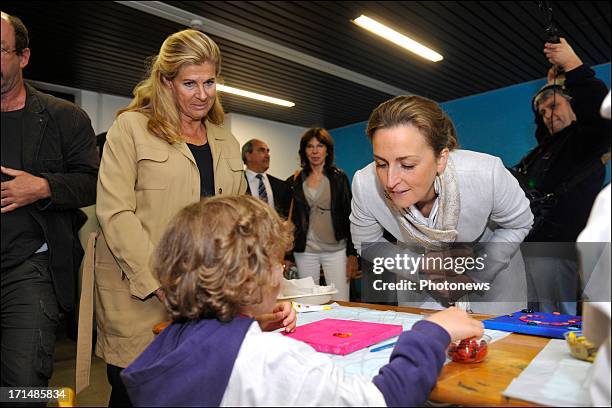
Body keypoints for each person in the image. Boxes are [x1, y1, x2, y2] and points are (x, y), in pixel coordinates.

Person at [120, 195, 485, 406]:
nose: (282, 272)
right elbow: (380, 400)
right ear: (252, 277)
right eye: (278, 262)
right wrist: (431, 333)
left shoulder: (165, 344)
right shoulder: (270, 359)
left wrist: (253, 322)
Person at [93, 29, 246, 406]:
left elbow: (239, 217)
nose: (202, 94)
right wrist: (157, 278)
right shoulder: (131, 128)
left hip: (206, 294)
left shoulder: (226, 141)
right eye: (189, 83)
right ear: (165, 81)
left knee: (193, 390)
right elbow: (114, 211)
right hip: (140, 290)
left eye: (209, 82)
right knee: (135, 389)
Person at [350, 95, 534, 315]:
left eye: (407, 165)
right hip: (418, 284)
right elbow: (367, 242)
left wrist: (476, 274)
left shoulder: (487, 174)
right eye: (381, 164)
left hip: (491, 282)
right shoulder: (365, 184)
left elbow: (518, 224)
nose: (390, 181)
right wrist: (420, 267)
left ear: (441, 159)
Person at [0, 12, 99, 388]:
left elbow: (91, 183)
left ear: (23, 57)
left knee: (21, 386)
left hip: (29, 270)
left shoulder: (64, 117)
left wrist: (43, 187)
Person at [515, 38, 610, 314]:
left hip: (558, 252)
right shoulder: (546, 148)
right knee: (533, 317)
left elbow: (595, 108)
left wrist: (573, 68)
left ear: (573, 106)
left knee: (558, 321)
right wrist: (551, 88)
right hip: (531, 250)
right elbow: (544, 130)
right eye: (542, 112)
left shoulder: (584, 142)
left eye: (553, 107)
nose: (546, 115)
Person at [287, 128, 359, 301]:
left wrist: (352, 254)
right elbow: (294, 219)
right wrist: (288, 255)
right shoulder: (297, 179)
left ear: (327, 150)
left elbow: (350, 216)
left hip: (336, 250)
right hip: (305, 251)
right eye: (310, 146)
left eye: (320, 146)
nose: (315, 151)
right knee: (308, 301)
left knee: (341, 300)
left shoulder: (339, 178)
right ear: (304, 151)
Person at [242, 138, 290, 217]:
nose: (267, 155)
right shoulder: (237, 183)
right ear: (248, 156)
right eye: (261, 150)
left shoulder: (281, 186)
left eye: (268, 151)